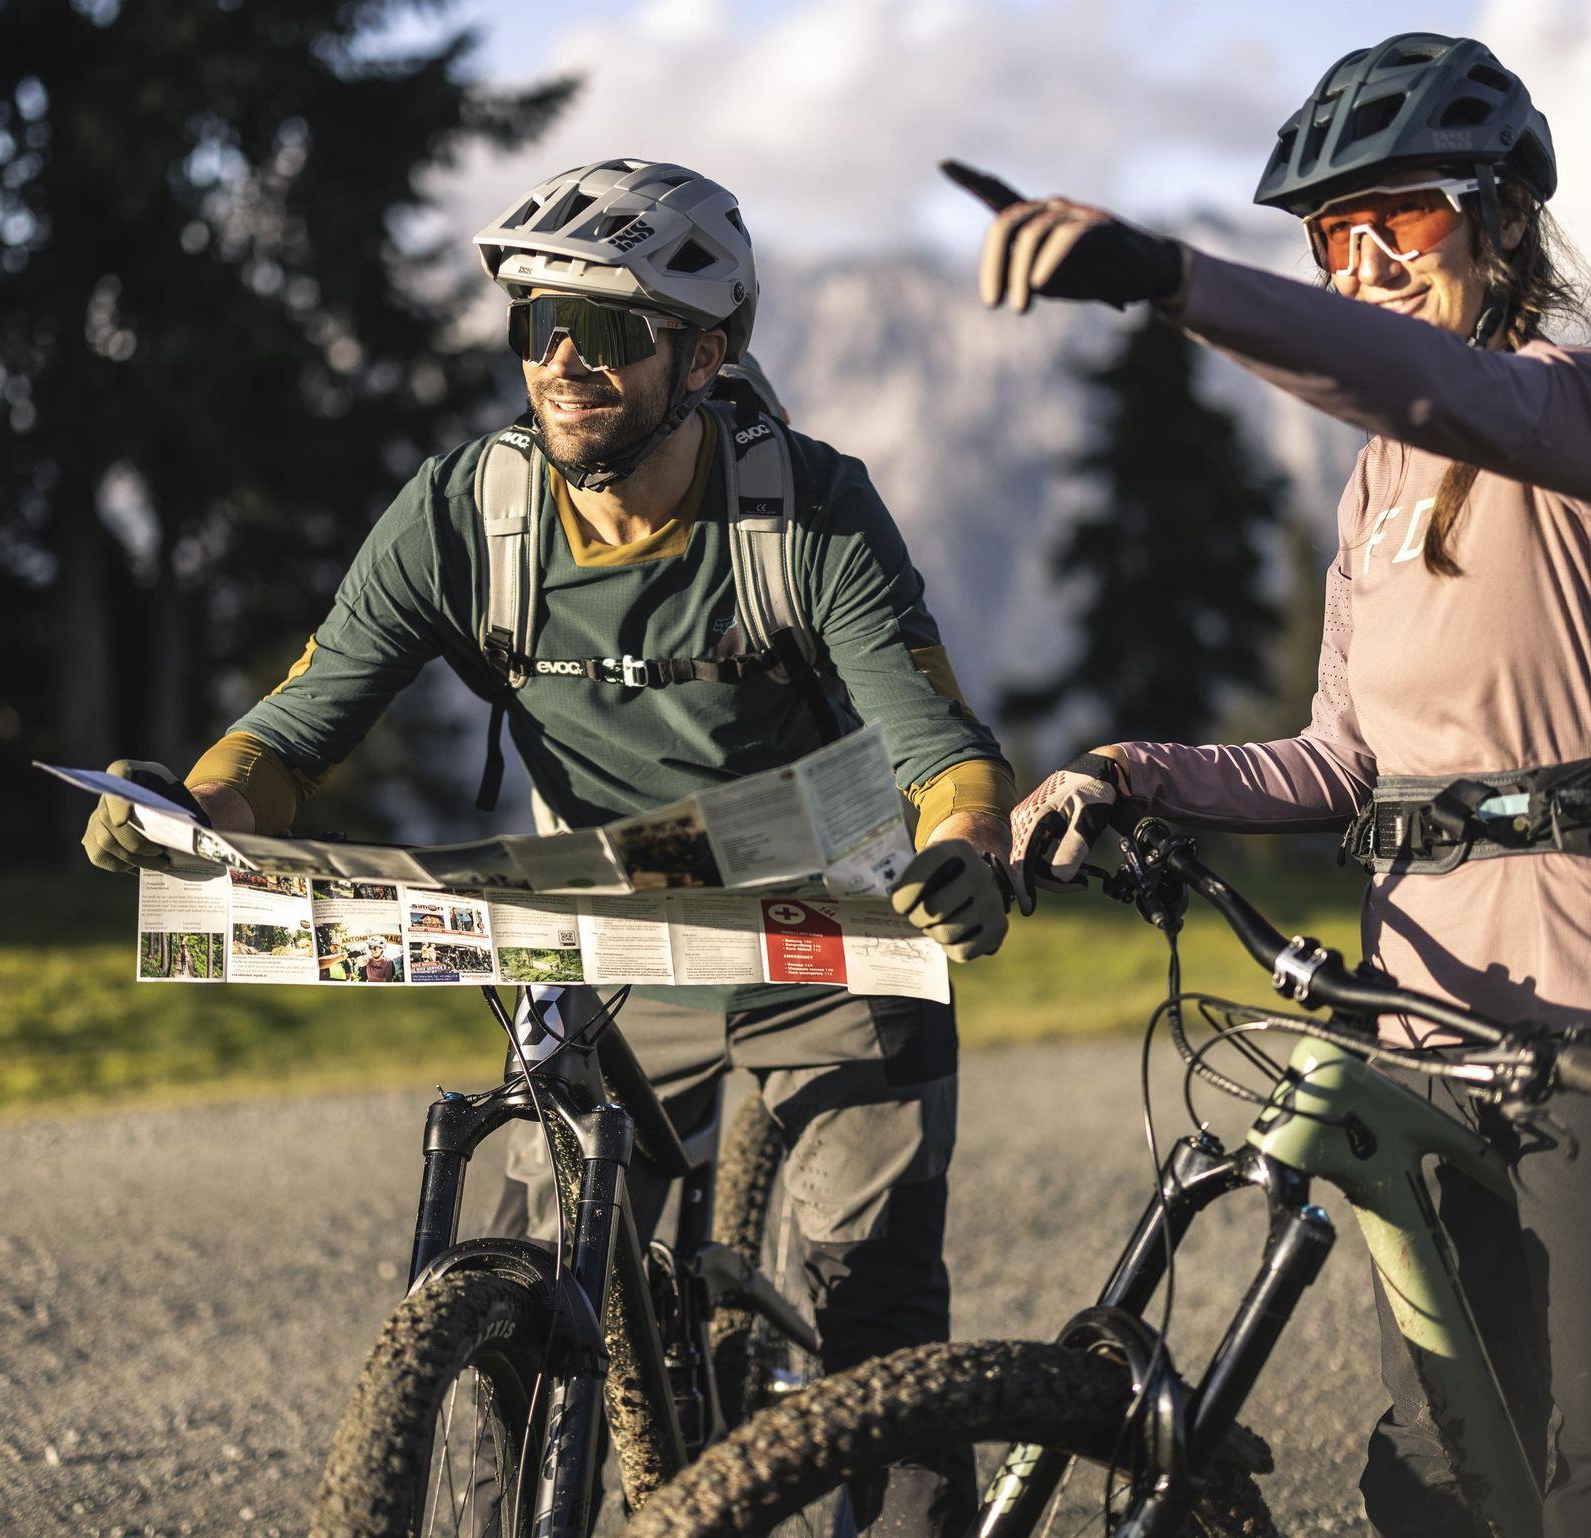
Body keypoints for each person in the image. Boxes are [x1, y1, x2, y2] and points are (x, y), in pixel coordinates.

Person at [83, 157, 1011, 1532]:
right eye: (540, 325)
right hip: (611, 930)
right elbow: (296, 728)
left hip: (832, 925)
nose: (565, 361)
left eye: (611, 329)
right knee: (532, 1294)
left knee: (872, 1326)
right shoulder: (467, 514)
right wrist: (187, 807)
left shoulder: (807, 510)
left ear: (705, 354)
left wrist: (971, 845)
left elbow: (935, 741)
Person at [954, 33, 1591, 1538]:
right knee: (1433, 1477)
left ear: (1505, 216)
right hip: (1425, 1042)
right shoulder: (1382, 483)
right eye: (1333, 237)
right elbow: (1337, 760)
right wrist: (1128, 773)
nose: (1364, 263)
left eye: (1399, 217)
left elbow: (1443, 388)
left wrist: (1171, 278)